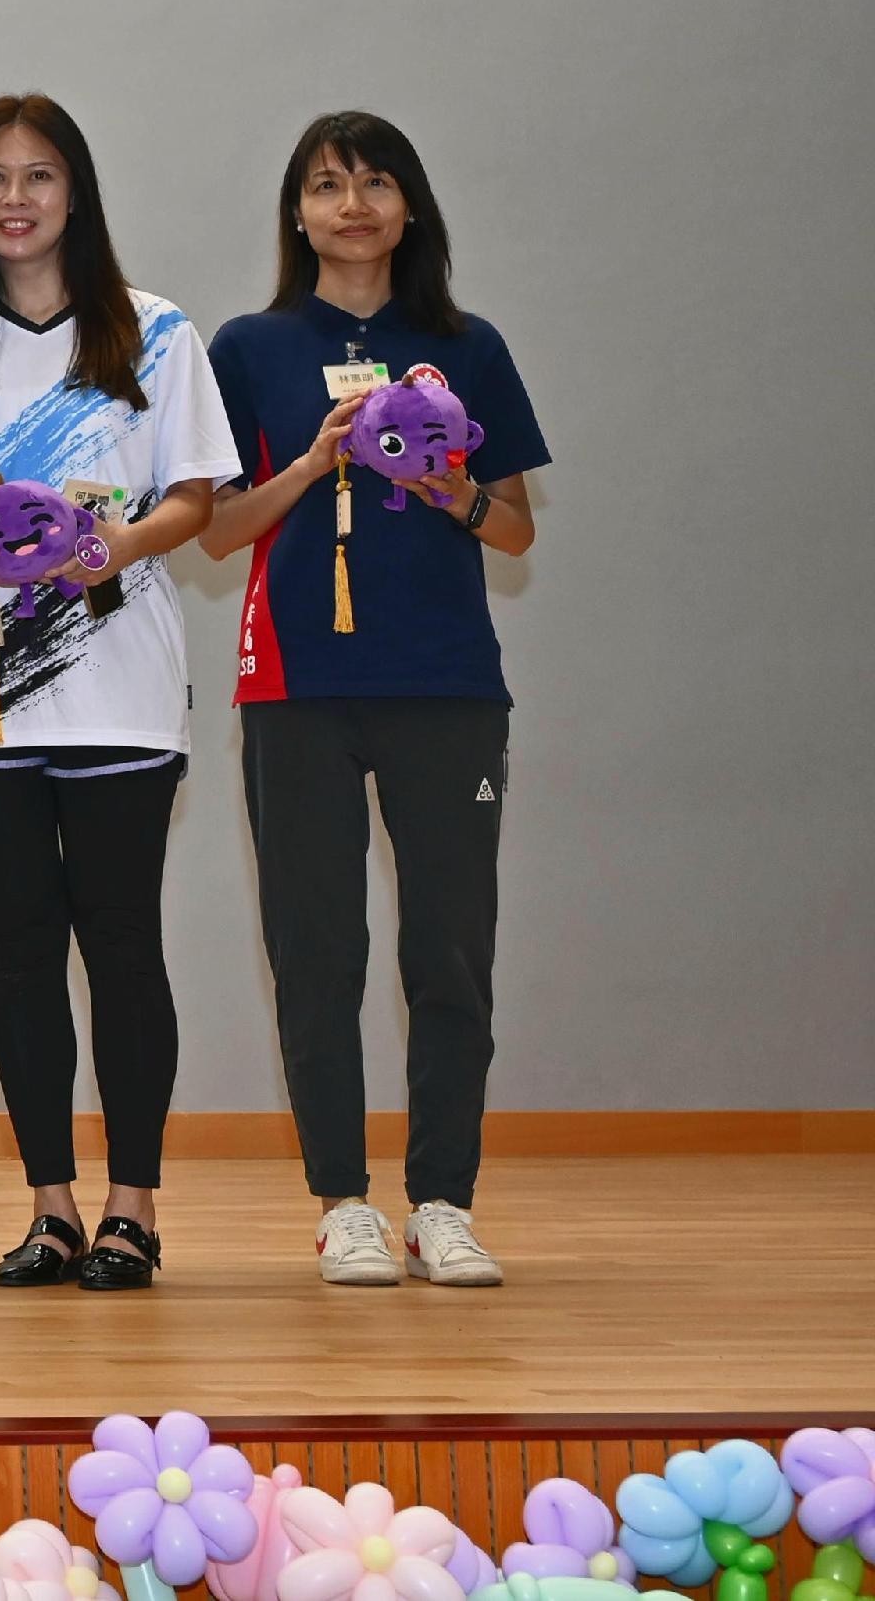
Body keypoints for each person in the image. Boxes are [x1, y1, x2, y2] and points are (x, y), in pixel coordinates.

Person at [201, 112, 545, 1290]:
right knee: (315, 947)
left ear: (409, 207)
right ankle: (342, 1202)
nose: (352, 203)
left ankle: (442, 1200)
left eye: (376, 181)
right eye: (326, 184)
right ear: (296, 213)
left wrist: (444, 489)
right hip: (295, 684)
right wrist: (308, 464)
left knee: (451, 948)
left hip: (448, 687)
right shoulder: (250, 347)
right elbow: (213, 529)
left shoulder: (467, 343)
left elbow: (514, 527)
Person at [0, 95, 229, 1293]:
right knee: (22, 952)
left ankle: (132, 1205)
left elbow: (196, 501)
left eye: (38, 176)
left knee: (122, 943)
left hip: (120, 686)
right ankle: (49, 1206)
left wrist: (116, 546)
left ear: (76, 194)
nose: (14, 199)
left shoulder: (153, 333)